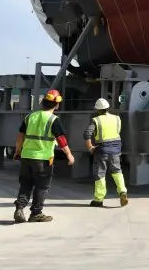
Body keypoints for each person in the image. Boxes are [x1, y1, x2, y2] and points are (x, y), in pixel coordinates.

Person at [12, 89, 75, 223]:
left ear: (42, 102)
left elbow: (20, 136)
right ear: (57, 105)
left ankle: (20, 207)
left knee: (26, 183)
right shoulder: (53, 120)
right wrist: (69, 155)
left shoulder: (30, 117)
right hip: (43, 159)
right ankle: (36, 213)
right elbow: (61, 140)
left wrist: (17, 151)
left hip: (26, 156)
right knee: (41, 186)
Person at [83, 98, 128, 207]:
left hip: (102, 150)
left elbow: (87, 134)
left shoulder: (96, 120)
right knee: (117, 171)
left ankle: (98, 199)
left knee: (100, 174)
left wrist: (90, 147)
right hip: (116, 149)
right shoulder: (117, 118)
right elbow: (117, 132)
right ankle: (123, 191)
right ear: (108, 108)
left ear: (97, 110)